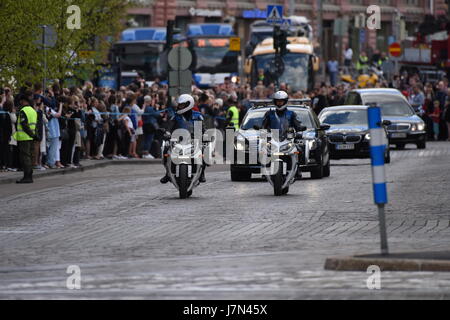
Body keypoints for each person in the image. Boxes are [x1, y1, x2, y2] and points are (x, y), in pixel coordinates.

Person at [160, 94, 206, 184]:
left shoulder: (197, 116)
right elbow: (169, 127)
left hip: (193, 140)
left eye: (181, 105)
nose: (179, 107)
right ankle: (167, 173)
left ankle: (202, 173)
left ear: (188, 104)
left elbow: (202, 129)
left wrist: (205, 135)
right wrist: (167, 133)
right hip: (178, 141)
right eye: (179, 105)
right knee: (166, 149)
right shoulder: (176, 116)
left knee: (203, 149)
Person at [262, 91, 304, 179]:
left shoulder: (291, 114)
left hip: (287, 138)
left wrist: (299, 129)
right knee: (263, 150)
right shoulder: (269, 114)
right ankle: (264, 171)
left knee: (299, 149)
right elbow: (264, 126)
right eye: (278, 101)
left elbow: (297, 125)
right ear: (275, 102)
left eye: (281, 101)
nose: (279, 103)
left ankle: (298, 169)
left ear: (285, 101)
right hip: (273, 138)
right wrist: (262, 130)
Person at [13, 92, 38, 183]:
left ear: (24, 101)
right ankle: (29, 175)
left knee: (25, 157)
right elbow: (36, 125)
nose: (20, 103)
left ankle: (27, 177)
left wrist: (31, 134)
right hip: (31, 138)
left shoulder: (23, 111)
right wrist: (35, 135)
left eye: (21, 101)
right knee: (30, 156)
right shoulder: (33, 111)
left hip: (24, 137)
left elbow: (24, 125)